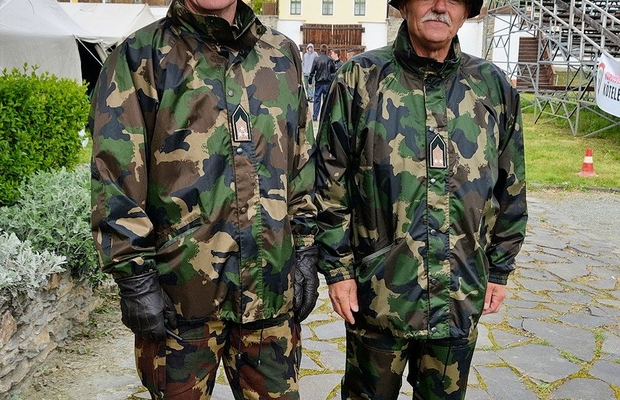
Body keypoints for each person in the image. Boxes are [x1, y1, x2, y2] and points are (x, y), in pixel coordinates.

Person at [89, 0, 319, 399]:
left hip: (269, 295)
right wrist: (135, 278)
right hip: (180, 302)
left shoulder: (281, 54)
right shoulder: (139, 55)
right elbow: (116, 174)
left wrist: (307, 250)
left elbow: (301, 160)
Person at [314, 0, 528, 399]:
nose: (440, 7)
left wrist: (499, 269)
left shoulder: (492, 85)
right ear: (405, 5)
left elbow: (511, 186)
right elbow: (330, 183)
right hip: (378, 295)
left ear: (466, 12)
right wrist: (338, 272)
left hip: (459, 293)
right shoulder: (360, 78)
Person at [308, 44, 336, 122]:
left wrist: (310, 81)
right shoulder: (330, 60)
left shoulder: (316, 59)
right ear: (327, 50)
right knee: (326, 100)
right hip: (327, 82)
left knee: (317, 100)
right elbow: (333, 71)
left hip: (319, 82)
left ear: (320, 50)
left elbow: (312, 72)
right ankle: (325, 117)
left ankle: (315, 116)